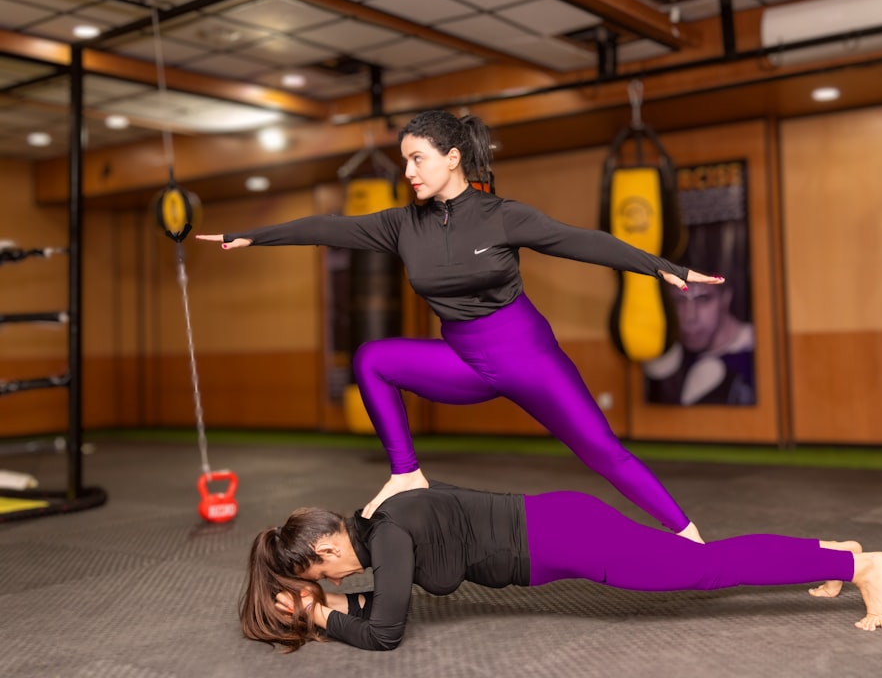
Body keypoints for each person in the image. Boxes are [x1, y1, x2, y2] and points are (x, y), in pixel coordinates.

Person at [197, 110, 725, 541]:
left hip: (529, 359)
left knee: (604, 452)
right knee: (373, 359)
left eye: (417, 159)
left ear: (452, 159)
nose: (409, 171)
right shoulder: (400, 224)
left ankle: (687, 532)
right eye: (405, 161)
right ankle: (405, 472)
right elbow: (328, 227)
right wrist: (251, 235)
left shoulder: (501, 215)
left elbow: (584, 241)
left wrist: (669, 269)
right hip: (465, 363)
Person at [239, 481, 882, 652]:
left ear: (326, 549)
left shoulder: (387, 541)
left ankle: (863, 567)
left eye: (324, 576)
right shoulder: (384, 526)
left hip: (570, 540)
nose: (335, 583)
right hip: (560, 524)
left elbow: (385, 631)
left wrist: (323, 614)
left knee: (703, 571)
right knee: (703, 564)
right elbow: (385, 602)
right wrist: (320, 615)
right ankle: (831, 555)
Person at [644, 280, 755, 405]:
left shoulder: (759, 348)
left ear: (726, 297)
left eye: (702, 299)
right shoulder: (667, 357)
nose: (690, 317)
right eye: (679, 301)